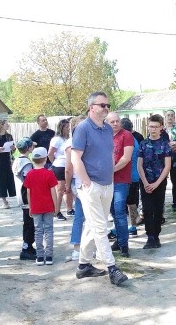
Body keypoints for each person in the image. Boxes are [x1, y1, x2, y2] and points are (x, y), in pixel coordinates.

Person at [70, 92, 128, 286]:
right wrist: (86, 181)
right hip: (90, 186)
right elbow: (75, 157)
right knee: (100, 227)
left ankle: (83, 265)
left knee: (93, 226)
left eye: (107, 105)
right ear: (91, 107)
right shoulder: (83, 128)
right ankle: (112, 268)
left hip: (107, 184)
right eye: (102, 105)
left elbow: (108, 154)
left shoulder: (106, 129)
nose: (106, 108)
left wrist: (109, 175)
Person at [137, 114, 172, 249]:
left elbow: (167, 166)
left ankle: (156, 236)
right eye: (151, 126)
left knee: (157, 209)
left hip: (159, 181)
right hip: (145, 181)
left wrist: (157, 183)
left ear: (161, 128)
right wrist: (145, 182)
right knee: (147, 209)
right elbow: (139, 165)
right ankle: (149, 237)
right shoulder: (143, 144)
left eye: (156, 127)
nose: (153, 129)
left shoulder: (165, 145)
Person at [23, 147, 59, 265]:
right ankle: (49, 256)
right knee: (48, 230)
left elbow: (28, 192)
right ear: (45, 159)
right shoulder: (49, 174)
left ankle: (39, 256)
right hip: (48, 207)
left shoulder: (30, 174)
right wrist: (56, 206)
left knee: (38, 231)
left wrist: (30, 206)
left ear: (33, 160)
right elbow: (53, 191)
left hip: (36, 208)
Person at [107, 112, 134, 258]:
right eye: (112, 122)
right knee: (112, 210)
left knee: (119, 210)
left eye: (117, 121)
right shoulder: (104, 135)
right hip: (106, 181)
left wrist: (110, 171)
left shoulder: (126, 135)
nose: (116, 123)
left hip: (121, 179)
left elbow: (126, 158)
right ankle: (119, 239)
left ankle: (124, 244)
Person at [64, 116, 86, 262]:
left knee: (80, 216)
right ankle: (82, 248)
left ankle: (78, 249)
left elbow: (68, 169)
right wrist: (67, 185)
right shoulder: (72, 144)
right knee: (88, 216)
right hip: (82, 182)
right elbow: (68, 168)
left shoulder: (71, 142)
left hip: (80, 182)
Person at [13, 138, 37, 260]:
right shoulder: (26, 163)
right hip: (26, 197)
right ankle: (26, 248)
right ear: (28, 148)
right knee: (30, 224)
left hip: (21, 196)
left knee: (27, 223)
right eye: (31, 146)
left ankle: (28, 246)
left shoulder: (18, 160)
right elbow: (29, 180)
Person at [120, 118, 143, 233]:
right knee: (132, 202)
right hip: (135, 176)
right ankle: (133, 226)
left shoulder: (126, 140)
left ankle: (130, 225)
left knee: (126, 203)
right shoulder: (134, 139)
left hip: (127, 176)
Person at [48, 119, 72, 219]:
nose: (68, 129)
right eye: (66, 127)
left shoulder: (69, 138)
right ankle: (56, 211)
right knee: (60, 190)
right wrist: (54, 162)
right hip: (59, 166)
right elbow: (50, 153)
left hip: (68, 165)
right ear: (62, 128)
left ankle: (69, 208)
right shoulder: (57, 139)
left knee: (68, 189)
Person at [164, 109, 176, 212]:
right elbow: (159, 143)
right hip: (163, 159)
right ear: (165, 117)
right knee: (162, 180)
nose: (170, 117)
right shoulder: (162, 129)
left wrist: (167, 145)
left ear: (174, 117)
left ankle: (175, 203)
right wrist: (171, 144)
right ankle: (161, 202)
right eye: (168, 115)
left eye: (172, 115)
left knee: (175, 180)